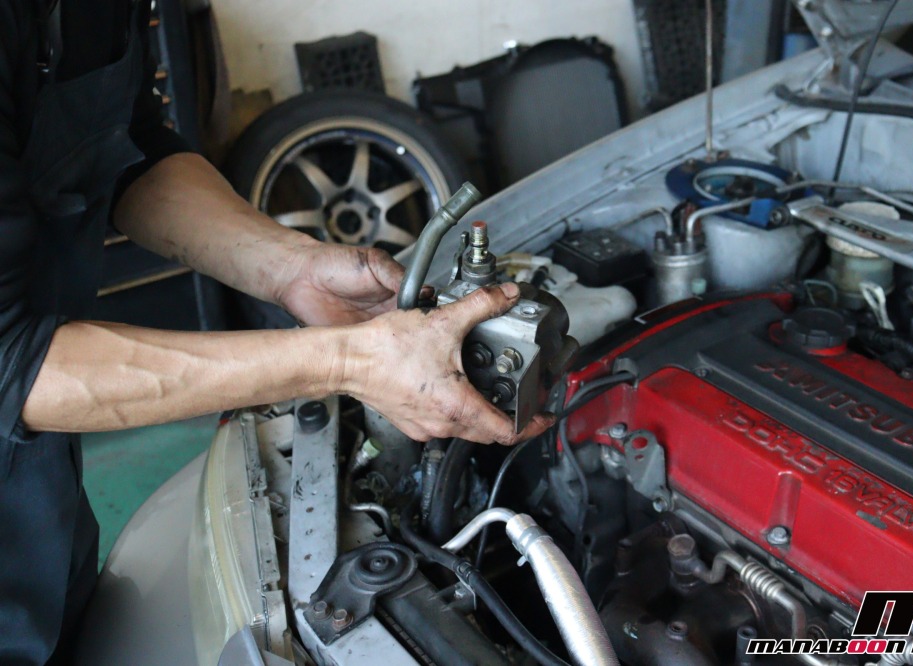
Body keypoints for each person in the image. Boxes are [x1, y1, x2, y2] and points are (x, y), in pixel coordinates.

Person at [0, 1, 554, 663]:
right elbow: (12, 364)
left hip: (41, 492)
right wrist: (345, 361)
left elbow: (129, 151)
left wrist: (292, 267)